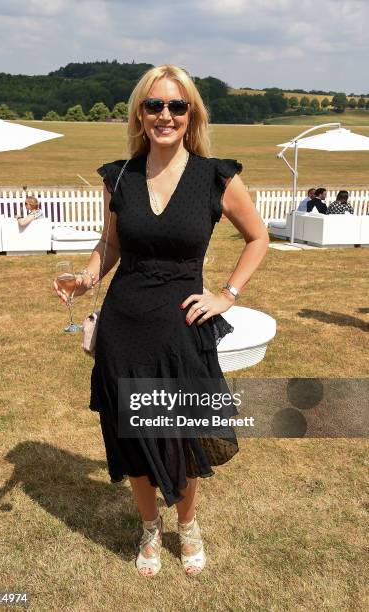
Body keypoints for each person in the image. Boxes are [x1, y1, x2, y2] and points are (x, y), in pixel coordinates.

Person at [53, 64, 269, 577]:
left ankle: (187, 526)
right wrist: (85, 276)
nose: (165, 115)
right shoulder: (121, 176)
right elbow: (111, 245)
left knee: (182, 435)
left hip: (181, 329)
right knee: (133, 435)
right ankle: (151, 528)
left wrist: (227, 294)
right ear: (140, 113)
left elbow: (258, 238)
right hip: (124, 328)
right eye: (154, 105)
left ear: (191, 112)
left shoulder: (216, 175)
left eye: (177, 105)